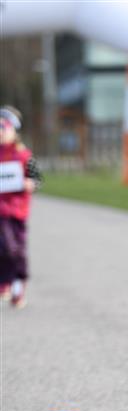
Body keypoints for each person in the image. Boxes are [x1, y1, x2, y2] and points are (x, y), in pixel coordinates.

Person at [0, 105, 42, 308]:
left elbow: (37, 179)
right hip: (1, 212)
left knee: (17, 250)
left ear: (13, 130)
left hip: (17, 211)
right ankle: (4, 283)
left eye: (3, 127)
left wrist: (30, 184)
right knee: (5, 246)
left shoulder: (24, 155)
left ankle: (18, 288)